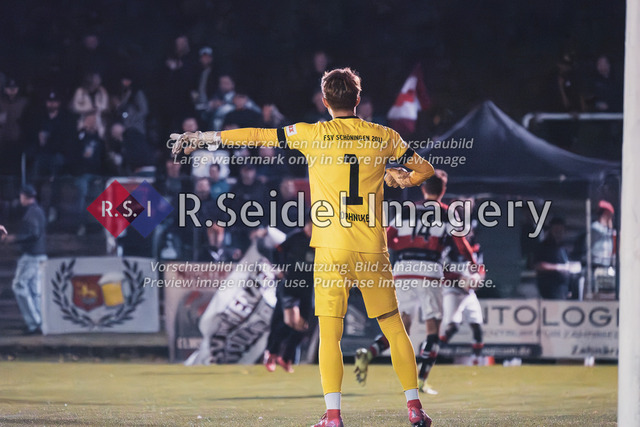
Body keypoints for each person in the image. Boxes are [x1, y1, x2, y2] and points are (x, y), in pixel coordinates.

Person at [170, 67, 434, 427]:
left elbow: (257, 134)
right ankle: (414, 407)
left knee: (330, 334)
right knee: (393, 327)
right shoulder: (383, 135)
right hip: (371, 247)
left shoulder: (312, 134)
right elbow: (425, 171)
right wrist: (400, 178)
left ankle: (333, 415)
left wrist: (204, 137)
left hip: (331, 248)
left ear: (325, 101)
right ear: (358, 99)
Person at [354, 170, 476, 395]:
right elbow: (461, 244)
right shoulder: (447, 212)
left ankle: (369, 353)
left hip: (402, 271)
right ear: (443, 190)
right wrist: (473, 263)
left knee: (401, 327)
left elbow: (387, 238)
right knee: (433, 328)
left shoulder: (407, 209)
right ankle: (421, 380)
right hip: (429, 271)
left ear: (423, 188)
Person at [264, 217, 315, 374]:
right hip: (290, 286)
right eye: (312, 225)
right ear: (307, 225)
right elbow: (277, 250)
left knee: (302, 327)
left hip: (307, 288)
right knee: (290, 320)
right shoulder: (295, 238)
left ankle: (285, 358)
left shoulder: (321, 243)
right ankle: (272, 354)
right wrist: (279, 268)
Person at [2, 185, 47, 334]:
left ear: (24, 196)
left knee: (19, 286)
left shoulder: (32, 212)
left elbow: (34, 234)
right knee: (34, 290)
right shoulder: (37, 210)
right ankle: (40, 322)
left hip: (32, 256)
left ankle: (34, 323)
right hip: (39, 254)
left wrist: (14, 239)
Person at [535, 217, 581, 299]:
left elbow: (566, 263)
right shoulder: (544, 246)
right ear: (551, 231)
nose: (558, 233)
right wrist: (559, 267)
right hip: (550, 287)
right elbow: (538, 265)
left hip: (564, 288)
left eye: (561, 230)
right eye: (556, 230)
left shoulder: (563, 247)